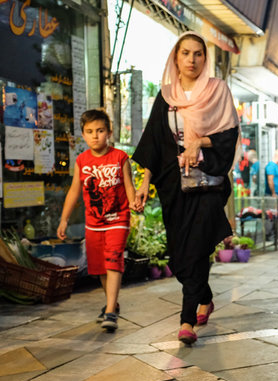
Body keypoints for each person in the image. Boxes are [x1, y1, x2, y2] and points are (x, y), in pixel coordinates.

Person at [132, 32, 239, 344]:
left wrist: (199, 141)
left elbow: (229, 135)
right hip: (174, 185)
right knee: (180, 257)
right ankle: (204, 297)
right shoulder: (166, 96)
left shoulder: (218, 91)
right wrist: (144, 182)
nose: (192, 60)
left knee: (196, 248)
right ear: (175, 59)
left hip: (208, 183)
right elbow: (153, 142)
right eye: (186, 54)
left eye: (198, 54)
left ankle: (186, 320)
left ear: (205, 59)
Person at [57, 109, 136, 332]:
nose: (95, 136)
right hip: (93, 223)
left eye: (100, 131)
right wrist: (64, 220)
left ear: (109, 133)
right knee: (100, 268)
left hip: (118, 219)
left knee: (113, 261)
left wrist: (133, 202)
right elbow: (74, 191)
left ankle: (110, 310)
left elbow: (128, 186)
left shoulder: (120, 157)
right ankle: (113, 302)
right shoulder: (82, 161)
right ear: (83, 134)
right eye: (90, 131)